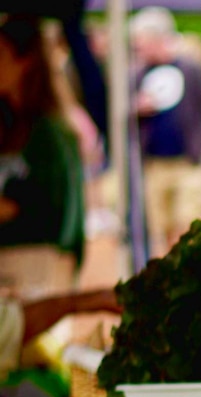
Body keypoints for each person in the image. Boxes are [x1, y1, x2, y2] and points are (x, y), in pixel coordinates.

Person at [129, 6, 201, 259]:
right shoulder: (137, 75)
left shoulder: (192, 70)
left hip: (187, 163)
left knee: (187, 225)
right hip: (153, 164)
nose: (138, 48)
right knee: (158, 228)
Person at [0, 13, 85, 268]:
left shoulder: (49, 133)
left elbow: (49, 214)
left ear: (24, 61)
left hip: (37, 262)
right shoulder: (10, 124)